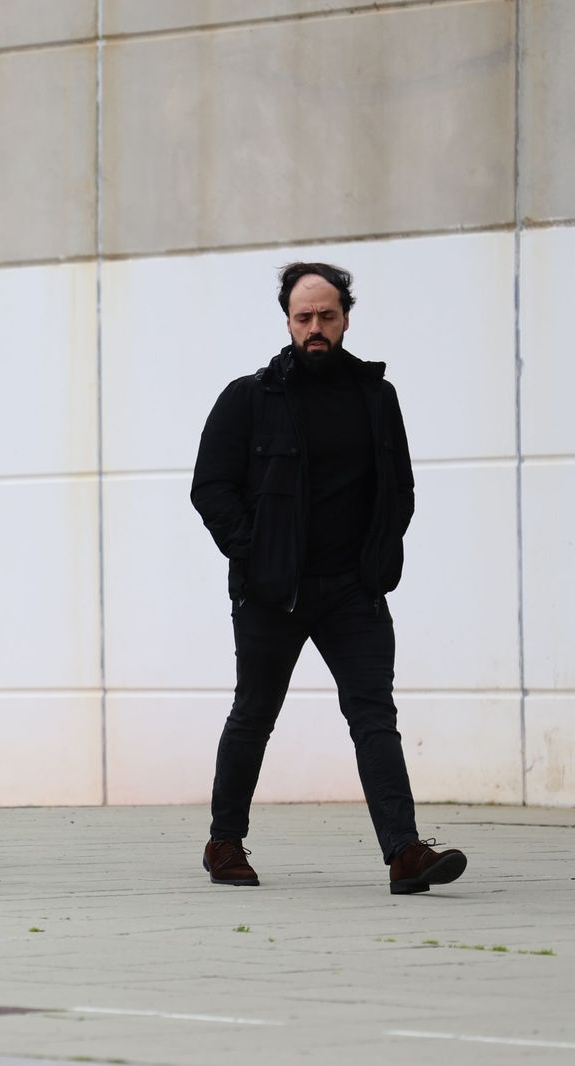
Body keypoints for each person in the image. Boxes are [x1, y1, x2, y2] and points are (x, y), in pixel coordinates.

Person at [190, 262, 467, 895]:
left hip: (352, 590)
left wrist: (378, 556)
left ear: (346, 317)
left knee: (374, 717)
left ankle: (404, 853)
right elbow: (210, 487)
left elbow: (399, 487)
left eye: (327, 316)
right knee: (254, 714)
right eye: (303, 317)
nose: (315, 328)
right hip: (272, 592)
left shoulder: (376, 396)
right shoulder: (250, 397)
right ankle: (224, 842)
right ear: (287, 321)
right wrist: (253, 553)